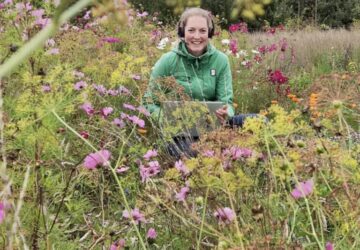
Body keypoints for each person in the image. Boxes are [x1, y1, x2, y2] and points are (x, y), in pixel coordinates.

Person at [143, 7, 253, 158]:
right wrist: (165, 120)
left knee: (260, 123)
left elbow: (226, 101)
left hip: (215, 127)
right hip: (180, 133)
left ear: (210, 32)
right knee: (193, 153)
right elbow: (148, 101)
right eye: (191, 30)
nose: (197, 36)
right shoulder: (168, 61)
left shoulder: (221, 60)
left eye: (202, 31)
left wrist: (226, 113)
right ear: (182, 32)